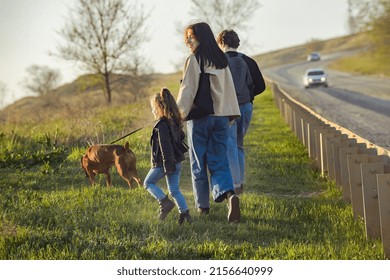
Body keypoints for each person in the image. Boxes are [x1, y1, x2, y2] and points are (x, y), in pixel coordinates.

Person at [176, 22, 241, 223]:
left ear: (201, 38)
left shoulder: (194, 60)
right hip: (221, 118)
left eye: (191, 37)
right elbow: (229, 89)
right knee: (219, 161)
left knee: (198, 164)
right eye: (186, 37)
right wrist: (232, 114)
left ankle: (203, 207)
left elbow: (187, 90)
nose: (188, 41)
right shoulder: (221, 60)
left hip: (200, 119)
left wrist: (177, 116)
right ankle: (230, 196)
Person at [217, 29, 266, 195]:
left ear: (221, 43)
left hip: (228, 108)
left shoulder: (219, 61)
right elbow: (261, 86)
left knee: (229, 145)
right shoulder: (249, 61)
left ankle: (235, 185)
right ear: (237, 42)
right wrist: (249, 96)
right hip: (246, 107)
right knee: (239, 144)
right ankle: (241, 182)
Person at [144, 88, 192, 225]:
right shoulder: (173, 121)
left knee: (148, 183)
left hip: (165, 162)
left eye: (153, 107)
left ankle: (164, 202)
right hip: (175, 161)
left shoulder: (162, 125)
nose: (152, 110)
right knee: (174, 190)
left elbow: (165, 147)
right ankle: (185, 214)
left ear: (159, 107)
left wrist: (167, 166)